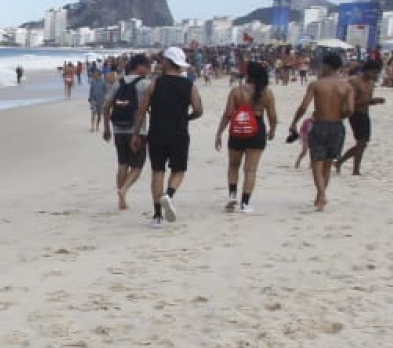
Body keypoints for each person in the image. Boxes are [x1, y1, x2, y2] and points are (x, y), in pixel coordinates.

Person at [135, 46, 202, 226]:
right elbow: (198, 110)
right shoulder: (189, 85)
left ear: (167, 62)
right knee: (178, 170)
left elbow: (141, 111)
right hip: (179, 132)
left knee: (158, 171)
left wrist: (136, 134)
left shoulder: (155, 83)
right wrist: (186, 117)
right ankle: (169, 194)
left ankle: (157, 216)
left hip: (157, 132)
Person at [288, 51, 354, 211]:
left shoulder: (317, 85)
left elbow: (303, 107)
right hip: (337, 126)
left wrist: (294, 122)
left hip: (320, 124)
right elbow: (350, 110)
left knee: (316, 162)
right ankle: (320, 196)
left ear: (326, 66)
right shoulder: (346, 87)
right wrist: (339, 114)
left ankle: (322, 195)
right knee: (328, 163)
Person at [215, 60, 278, 212]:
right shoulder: (267, 93)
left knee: (233, 165)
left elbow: (228, 114)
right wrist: (272, 130)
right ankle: (245, 203)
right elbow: (272, 116)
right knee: (250, 170)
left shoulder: (237, 91)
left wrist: (219, 133)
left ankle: (232, 195)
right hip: (257, 129)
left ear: (248, 74)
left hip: (238, 128)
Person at [101, 54, 150, 211]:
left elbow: (106, 106)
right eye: (147, 66)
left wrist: (107, 128)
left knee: (122, 163)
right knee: (137, 165)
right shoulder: (145, 84)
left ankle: (121, 199)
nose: (149, 69)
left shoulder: (119, 82)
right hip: (137, 130)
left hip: (118, 128)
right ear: (139, 67)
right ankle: (124, 190)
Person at [335, 60, 385, 175]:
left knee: (363, 143)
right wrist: (371, 100)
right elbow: (352, 102)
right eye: (373, 72)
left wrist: (374, 101)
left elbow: (366, 101)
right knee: (361, 142)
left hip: (364, 113)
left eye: (376, 73)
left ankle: (343, 163)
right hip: (355, 113)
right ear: (366, 70)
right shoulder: (354, 81)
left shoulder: (371, 84)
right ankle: (354, 168)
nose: (375, 75)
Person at [86, 65, 109, 132]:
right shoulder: (93, 82)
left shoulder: (103, 82)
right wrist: (90, 97)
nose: (94, 75)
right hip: (93, 100)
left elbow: (107, 91)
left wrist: (106, 99)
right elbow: (91, 90)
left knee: (99, 115)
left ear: (99, 75)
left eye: (95, 74)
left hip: (101, 101)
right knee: (93, 112)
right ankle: (92, 127)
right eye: (94, 74)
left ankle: (97, 125)